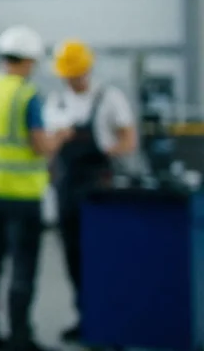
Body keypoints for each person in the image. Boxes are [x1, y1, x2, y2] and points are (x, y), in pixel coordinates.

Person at [0, 26, 71, 351]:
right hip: (22, 195)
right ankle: (20, 339)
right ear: (29, 60)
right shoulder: (25, 95)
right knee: (22, 268)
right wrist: (60, 137)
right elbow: (40, 145)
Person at [43, 39, 139, 345]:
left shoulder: (109, 97)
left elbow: (129, 139)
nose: (71, 79)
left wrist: (111, 150)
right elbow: (48, 146)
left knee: (104, 256)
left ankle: (112, 322)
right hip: (67, 187)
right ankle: (86, 319)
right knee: (73, 257)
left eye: (76, 74)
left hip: (101, 186)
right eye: (67, 75)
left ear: (87, 69)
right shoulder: (56, 101)